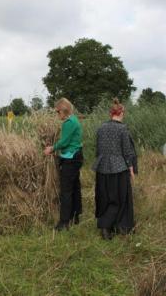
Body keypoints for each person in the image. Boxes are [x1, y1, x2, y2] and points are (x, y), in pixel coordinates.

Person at [92, 98, 137, 240]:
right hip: (119, 168)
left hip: (102, 168)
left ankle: (108, 228)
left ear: (111, 114)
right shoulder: (122, 129)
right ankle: (119, 227)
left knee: (105, 198)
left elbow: (98, 150)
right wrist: (131, 168)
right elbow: (127, 151)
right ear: (121, 113)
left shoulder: (101, 128)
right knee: (119, 199)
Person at [44, 98, 83, 231]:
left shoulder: (68, 123)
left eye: (57, 111)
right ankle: (75, 215)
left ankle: (63, 223)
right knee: (75, 187)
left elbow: (64, 142)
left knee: (66, 190)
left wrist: (52, 148)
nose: (57, 114)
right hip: (77, 156)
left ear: (63, 110)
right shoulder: (75, 120)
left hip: (70, 158)